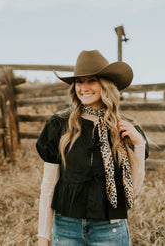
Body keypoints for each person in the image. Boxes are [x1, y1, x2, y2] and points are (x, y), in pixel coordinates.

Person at [36, 50, 149, 246]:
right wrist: (43, 236)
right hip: (66, 227)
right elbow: (48, 186)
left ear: (105, 85)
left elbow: (133, 189)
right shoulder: (59, 125)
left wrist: (139, 144)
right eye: (79, 81)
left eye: (91, 80)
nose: (84, 87)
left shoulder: (125, 128)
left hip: (110, 229)